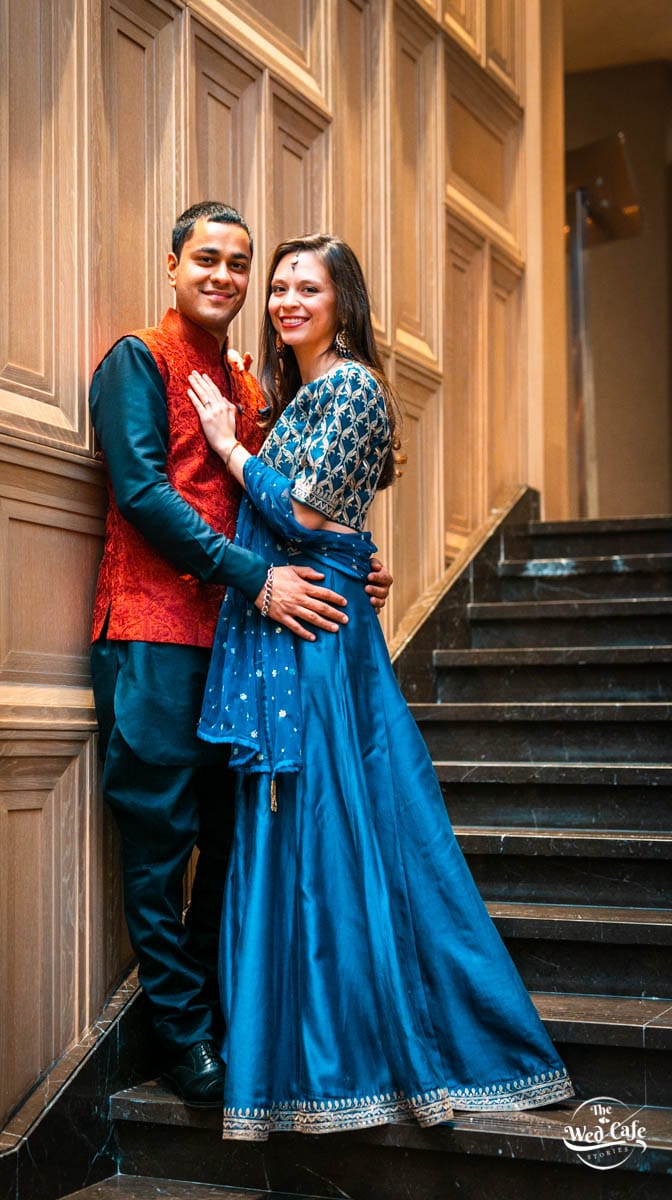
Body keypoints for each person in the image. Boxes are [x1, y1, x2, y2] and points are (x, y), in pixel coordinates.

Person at [187, 233, 575, 1140]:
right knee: (303, 832)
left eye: (304, 287)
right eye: (277, 286)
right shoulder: (304, 393)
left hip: (318, 642)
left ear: (342, 301)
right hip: (300, 628)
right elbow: (323, 523)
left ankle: (356, 1053)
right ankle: (304, 1061)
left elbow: (309, 511)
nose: (284, 299)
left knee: (333, 832)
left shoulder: (352, 385)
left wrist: (226, 446)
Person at [88, 203, 393, 1107]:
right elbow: (142, 493)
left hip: (239, 649)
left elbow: (292, 501)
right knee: (158, 843)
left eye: (239, 263)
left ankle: (220, 1017)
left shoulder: (251, 386)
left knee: (229, 841)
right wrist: (259, 578)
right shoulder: (136, 360)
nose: (224, 276)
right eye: (206, 259)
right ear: (172, 264)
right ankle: (184, 1041)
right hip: (150, 633)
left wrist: (356, 564)